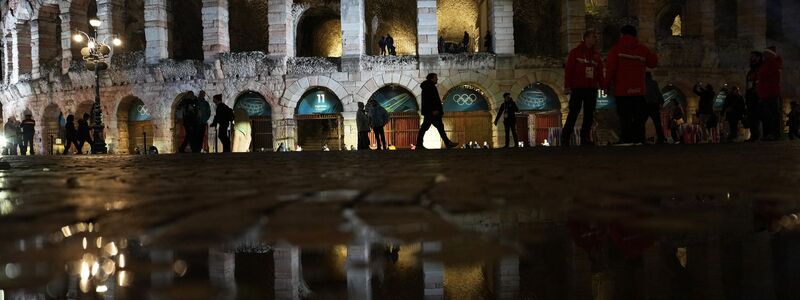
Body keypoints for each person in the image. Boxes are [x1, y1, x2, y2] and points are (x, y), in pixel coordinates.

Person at [604, 25, 658, 145]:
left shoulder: (616, 49)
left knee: (624, 116)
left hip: (622, 90)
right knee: (639, 116)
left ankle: (626, 138)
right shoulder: (642, 49)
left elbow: (611, 69)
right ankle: (638, 138)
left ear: (622, 34)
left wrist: (606, 85)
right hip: (638, 90)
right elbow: (653, 62)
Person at [563, 30, 603, 146]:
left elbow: (599, 72)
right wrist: (567, 86)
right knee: (573, 112)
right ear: (585, 38)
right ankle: (565, 136)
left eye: (595, 37)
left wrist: (603, 86)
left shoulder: (596, 55)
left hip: (591, 88)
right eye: (592, 37)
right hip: (578, 87)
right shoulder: (575, 52)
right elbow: (569, 70)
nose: (594, 39)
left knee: (589, 114)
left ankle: (585, 137)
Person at [416, 73, 458, 149]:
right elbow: (430, 100)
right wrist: (434, 110)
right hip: (432, 112)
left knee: (433, 127)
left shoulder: (428, 86)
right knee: (433, 127)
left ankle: (447, 143)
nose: (437, 79)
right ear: (431, 78)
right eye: (435, 77)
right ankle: (447, 143)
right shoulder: (430, 87)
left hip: (430, 112)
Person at [756, 46, 783, 140]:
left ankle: (774, 134)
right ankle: (768, 134)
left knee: (772, 114)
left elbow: (764, 75)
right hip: (765, 93)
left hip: (770, 92)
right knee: (766, 115)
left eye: (766, 53)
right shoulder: (767, 64)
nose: (764, 55)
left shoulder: (773, 64)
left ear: (770, 54)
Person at [745, 51, 763, 142]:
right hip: (750, 95)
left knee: (758, 116)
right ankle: (754, 135)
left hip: (758, 95)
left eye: (753, 57)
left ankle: (760, 135)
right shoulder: (750, 71)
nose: (751, 59)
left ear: (759, 58)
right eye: (751, 57)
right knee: (751, 116)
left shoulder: (761, 69)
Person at [644, 72, 667, 144]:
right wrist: (661, 102)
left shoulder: (642, 83)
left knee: (641, 122)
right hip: (654, 105)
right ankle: (661, 138)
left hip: (645, 104)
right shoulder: (654, 83)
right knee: (657, 123)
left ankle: (640, 138)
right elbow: (658, 93)